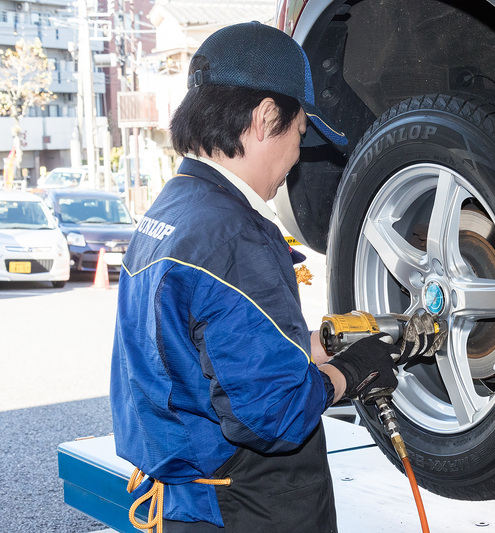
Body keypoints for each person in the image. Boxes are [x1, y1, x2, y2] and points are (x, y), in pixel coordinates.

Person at [109, 22, 424, 533]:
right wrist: (351, 373)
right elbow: (273, 415)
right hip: (244, 510)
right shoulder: (236, 236)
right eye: (299, 133)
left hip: (188, 505)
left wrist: (315, 345)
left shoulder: (172, 211)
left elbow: (206, 353)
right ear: (264, 118)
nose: (297, 157)